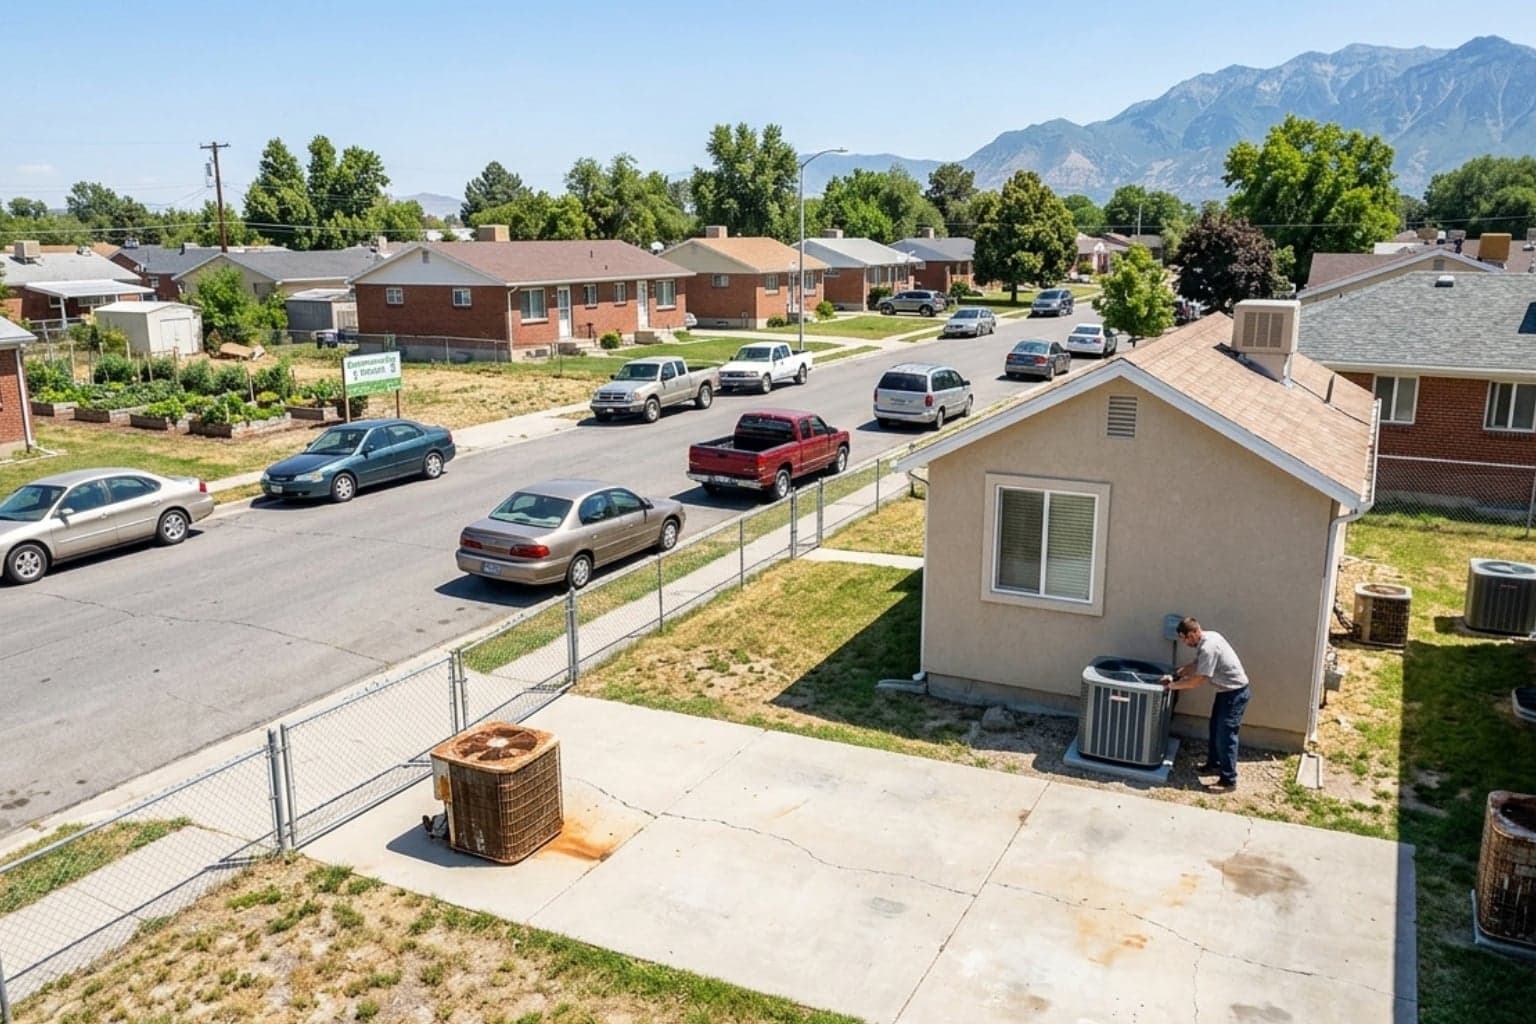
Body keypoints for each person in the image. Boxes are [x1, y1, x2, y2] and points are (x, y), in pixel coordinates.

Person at [1160, 617, 1250, 791]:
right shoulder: (1208, 638)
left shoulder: (1209, 647)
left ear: (1194, 632)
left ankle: (1229, 780)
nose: (1185, 643)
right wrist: (1176, 675)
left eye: (1185, 639)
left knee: (1226, 736)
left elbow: (1198, 681)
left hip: (1235, 694)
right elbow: (1196, 665)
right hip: (1225, 693)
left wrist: (1172, 686)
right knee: (1215, 729)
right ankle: (1214, 764)